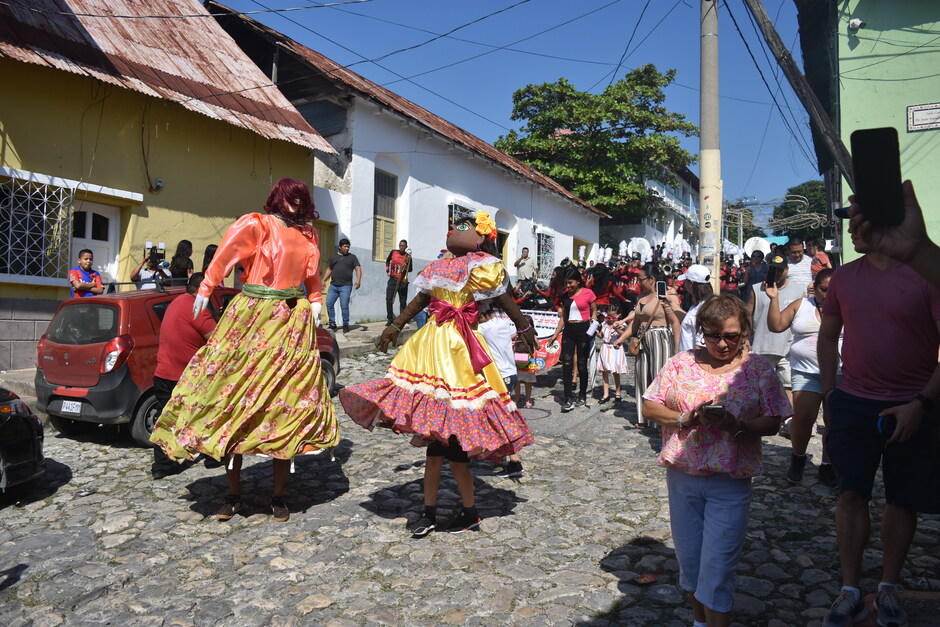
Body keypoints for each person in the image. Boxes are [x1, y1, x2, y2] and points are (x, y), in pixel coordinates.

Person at [150, 178, 338, 523]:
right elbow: (226, 252)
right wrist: (207, 286)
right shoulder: (259, 224)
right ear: (280, 198)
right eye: (290, 199)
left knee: (286, 405)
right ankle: (232, 493)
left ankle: (278, 495)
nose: (295, 205)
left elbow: (312, 277)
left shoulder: (309, 234)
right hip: (252, 316)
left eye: (301, 200)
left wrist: (315, 301)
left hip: (290, 323)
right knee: (234, 398)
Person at [339, 211, 536, 537]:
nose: (457, 231)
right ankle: (433, 510)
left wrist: (524, 325)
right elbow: (419, 300)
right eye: (455, 227)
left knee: (454, 437)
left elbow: (504, 298)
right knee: (435, 440)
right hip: (431, 347)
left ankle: (462, 510)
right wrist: (395, 325)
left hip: (460, 348)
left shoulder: (483, 265)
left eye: (466, 227)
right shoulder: (440, 266)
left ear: (481, 236)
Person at [818, 195, 940, 626]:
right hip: (853, 400)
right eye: (849, 221)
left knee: (902, 499)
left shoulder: (925, 277)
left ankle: (888, 585)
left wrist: (921, 403)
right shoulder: (844, 278)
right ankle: (849, 587)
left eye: (857, 221)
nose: (851, 229)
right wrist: (831, 393)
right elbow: (828, 334)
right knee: (851, 493)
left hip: (913, 405)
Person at [643, 294, 791, 627]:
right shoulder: (680, 363)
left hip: (730, 480)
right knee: (692, 560)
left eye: (731, 336)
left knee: (719, 564)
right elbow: (650, 406)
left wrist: (736, 425)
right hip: (683, 476)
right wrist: (685, 418)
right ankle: (699, 621)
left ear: (745, 332)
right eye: (712, 335)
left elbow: (773, 419)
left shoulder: (758, 370)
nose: (722, 344)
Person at [766, 269, 838, 486]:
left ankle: (827, 465)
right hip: (806, 372)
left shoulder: (847, 307)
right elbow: (776, 325)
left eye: (833, 290)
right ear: (814, 288)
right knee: (803, 418)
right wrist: (773, 299)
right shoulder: (801, 305)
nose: (828, 294)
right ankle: (798, 457)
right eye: (824, 290)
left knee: (833, 422)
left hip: (840, 373)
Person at [149, 273, 217, 479]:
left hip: (163, 372)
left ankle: (162, 465)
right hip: (184, 376)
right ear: (200, 289)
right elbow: (216, 340)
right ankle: (212, 455)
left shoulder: (177, 301)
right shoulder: (198, 307)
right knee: (207, 412)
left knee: (166, 419)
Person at [618, 263, 680, 426]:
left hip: (661, 337)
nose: (638, 282)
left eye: (640, 279)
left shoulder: (667, 295)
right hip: (643, 338)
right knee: (641, 377)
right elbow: (636, 322)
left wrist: (676, 348)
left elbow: (675, 322)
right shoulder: (640, 297)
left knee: (659, 379)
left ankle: (660, 420)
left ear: (651, 279)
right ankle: (643, 417)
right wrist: (621, 338)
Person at [748, 253, 802, 402]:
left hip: (788, 349)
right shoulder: (756, 289)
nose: (777, 273)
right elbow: (747, 316)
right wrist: (745, 339)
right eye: (774, 269)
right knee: (763, 390)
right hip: (762, 348)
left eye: (780, 269)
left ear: (787, 270)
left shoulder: (798, 290)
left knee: (789, 387)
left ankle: (788, 423)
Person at [547, 265, 597, 412]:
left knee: (582, 363)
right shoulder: (565, 296)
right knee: (567, 363)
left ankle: (582, 394)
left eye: (570, 283)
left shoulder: (588, 293)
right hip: (569, 330)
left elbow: (594, 311)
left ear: (577, 282)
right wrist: (556, 334)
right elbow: (564, 316)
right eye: (566, 283)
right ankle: (568, 397)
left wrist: (593, 326)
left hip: (583, 330)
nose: (568, 286)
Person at [322, 238, 361, 333]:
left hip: (346, 286)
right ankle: (332, 323)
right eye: (345, 246)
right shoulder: (334, 257)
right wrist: (323, 280)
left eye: (348, 247)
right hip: (333, 286)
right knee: (329, 303)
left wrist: (358, 280)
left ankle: (345, 324)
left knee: (344, 305)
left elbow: (358, 268)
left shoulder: (352, 257)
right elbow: (329, 269)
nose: (347, 248)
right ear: (340, 247)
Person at [677, 264, 714, 352]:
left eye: (686, 281)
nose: (684, 284)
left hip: (693, 360)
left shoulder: (704, 309)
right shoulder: (697, 305)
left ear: (691, 283)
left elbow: (702, 343)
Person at [597, 304, 629, 405]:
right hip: (606, 348)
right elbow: (601, 336)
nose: (610, 319)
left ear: (618, 316)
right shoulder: (604, 324)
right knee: (604, 371)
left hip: (616, 349)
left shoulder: (621, 324)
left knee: (616, 371)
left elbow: (624, 335)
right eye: (608, 317)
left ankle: (618, 392)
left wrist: (616, 328)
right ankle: (606, 394)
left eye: (612, 317)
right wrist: (595, 331)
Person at [384, 239, 412, 326]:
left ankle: (402, 320)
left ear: (406, 247)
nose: (401, 247)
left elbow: (410, 269)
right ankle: (390, 319)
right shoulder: (393, 252)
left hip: (403, 281)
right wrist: (387, 270)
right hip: (393, 279)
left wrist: (407, 264)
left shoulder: (408, 256)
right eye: (400, 245)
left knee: (402, 301)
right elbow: (388, 261)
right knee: (389, 299)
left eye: (403, 246)